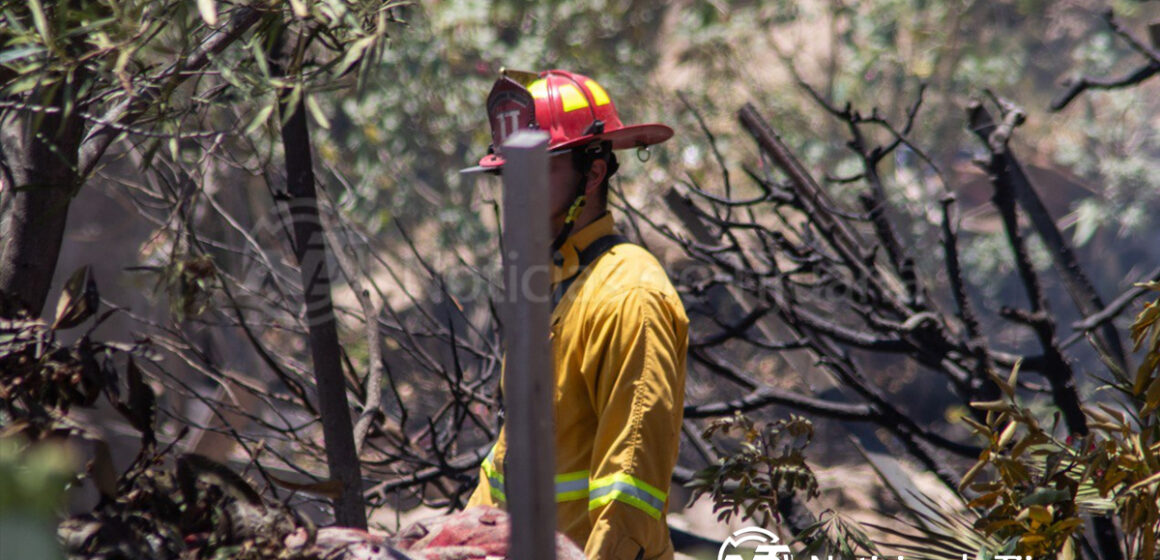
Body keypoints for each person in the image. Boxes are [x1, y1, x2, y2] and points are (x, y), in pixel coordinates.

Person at [461, 68, 689, 560]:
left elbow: (630, 494)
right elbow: (504, 466)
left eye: (537, 170)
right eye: (509, 175)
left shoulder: (630, 295)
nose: (517, 191)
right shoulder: (546, 287)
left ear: (594, 172)